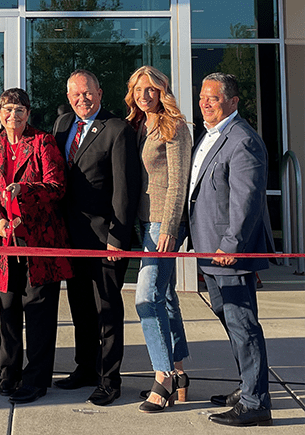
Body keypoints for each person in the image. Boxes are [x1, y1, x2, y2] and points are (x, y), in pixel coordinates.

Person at [0, 88, 73, 404]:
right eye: (6, 109)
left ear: (28, 114)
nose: (12, 116)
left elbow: (56, 187)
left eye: (19, 110)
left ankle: (36, 379)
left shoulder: (43, 142)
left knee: (40, 314)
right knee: (8, 312)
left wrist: (24, 191)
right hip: (4, 244)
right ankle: (10, 372)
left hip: (40, 242)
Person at [189, 72, 274, 427]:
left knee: (243, 325)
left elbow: (247, 200)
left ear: (233, 102)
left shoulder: (241, 140)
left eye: (214, 97)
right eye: (202, 97)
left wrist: (232, 245)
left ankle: (256, 402)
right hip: (209, 252)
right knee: (231, 322)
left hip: (228, 253)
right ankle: (248, 385)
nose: (205, 103)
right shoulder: (210, 136)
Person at [51, 69, 140, 406]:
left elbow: (124, 190)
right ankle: (85, 367)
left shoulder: (116, 129)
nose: (82, 100)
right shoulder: (62, 127)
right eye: (75, 94)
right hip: (71, 238)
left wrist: (117, 237)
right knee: (80, 307)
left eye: (87, 93)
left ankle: (109, 378)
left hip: (105, 240)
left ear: (100, 94)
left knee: (106, 309)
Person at [124, 65, 192, 412]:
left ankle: (162, 376)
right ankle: (179, 371)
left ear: (162, 91)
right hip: (142, 222)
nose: (144, 95)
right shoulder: (137, 125)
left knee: (145, 298)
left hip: (162, 225)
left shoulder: (174, 126)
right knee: (165, 297)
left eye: (150, 89)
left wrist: (169, 227)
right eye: (138, 90)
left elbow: (179, 181)